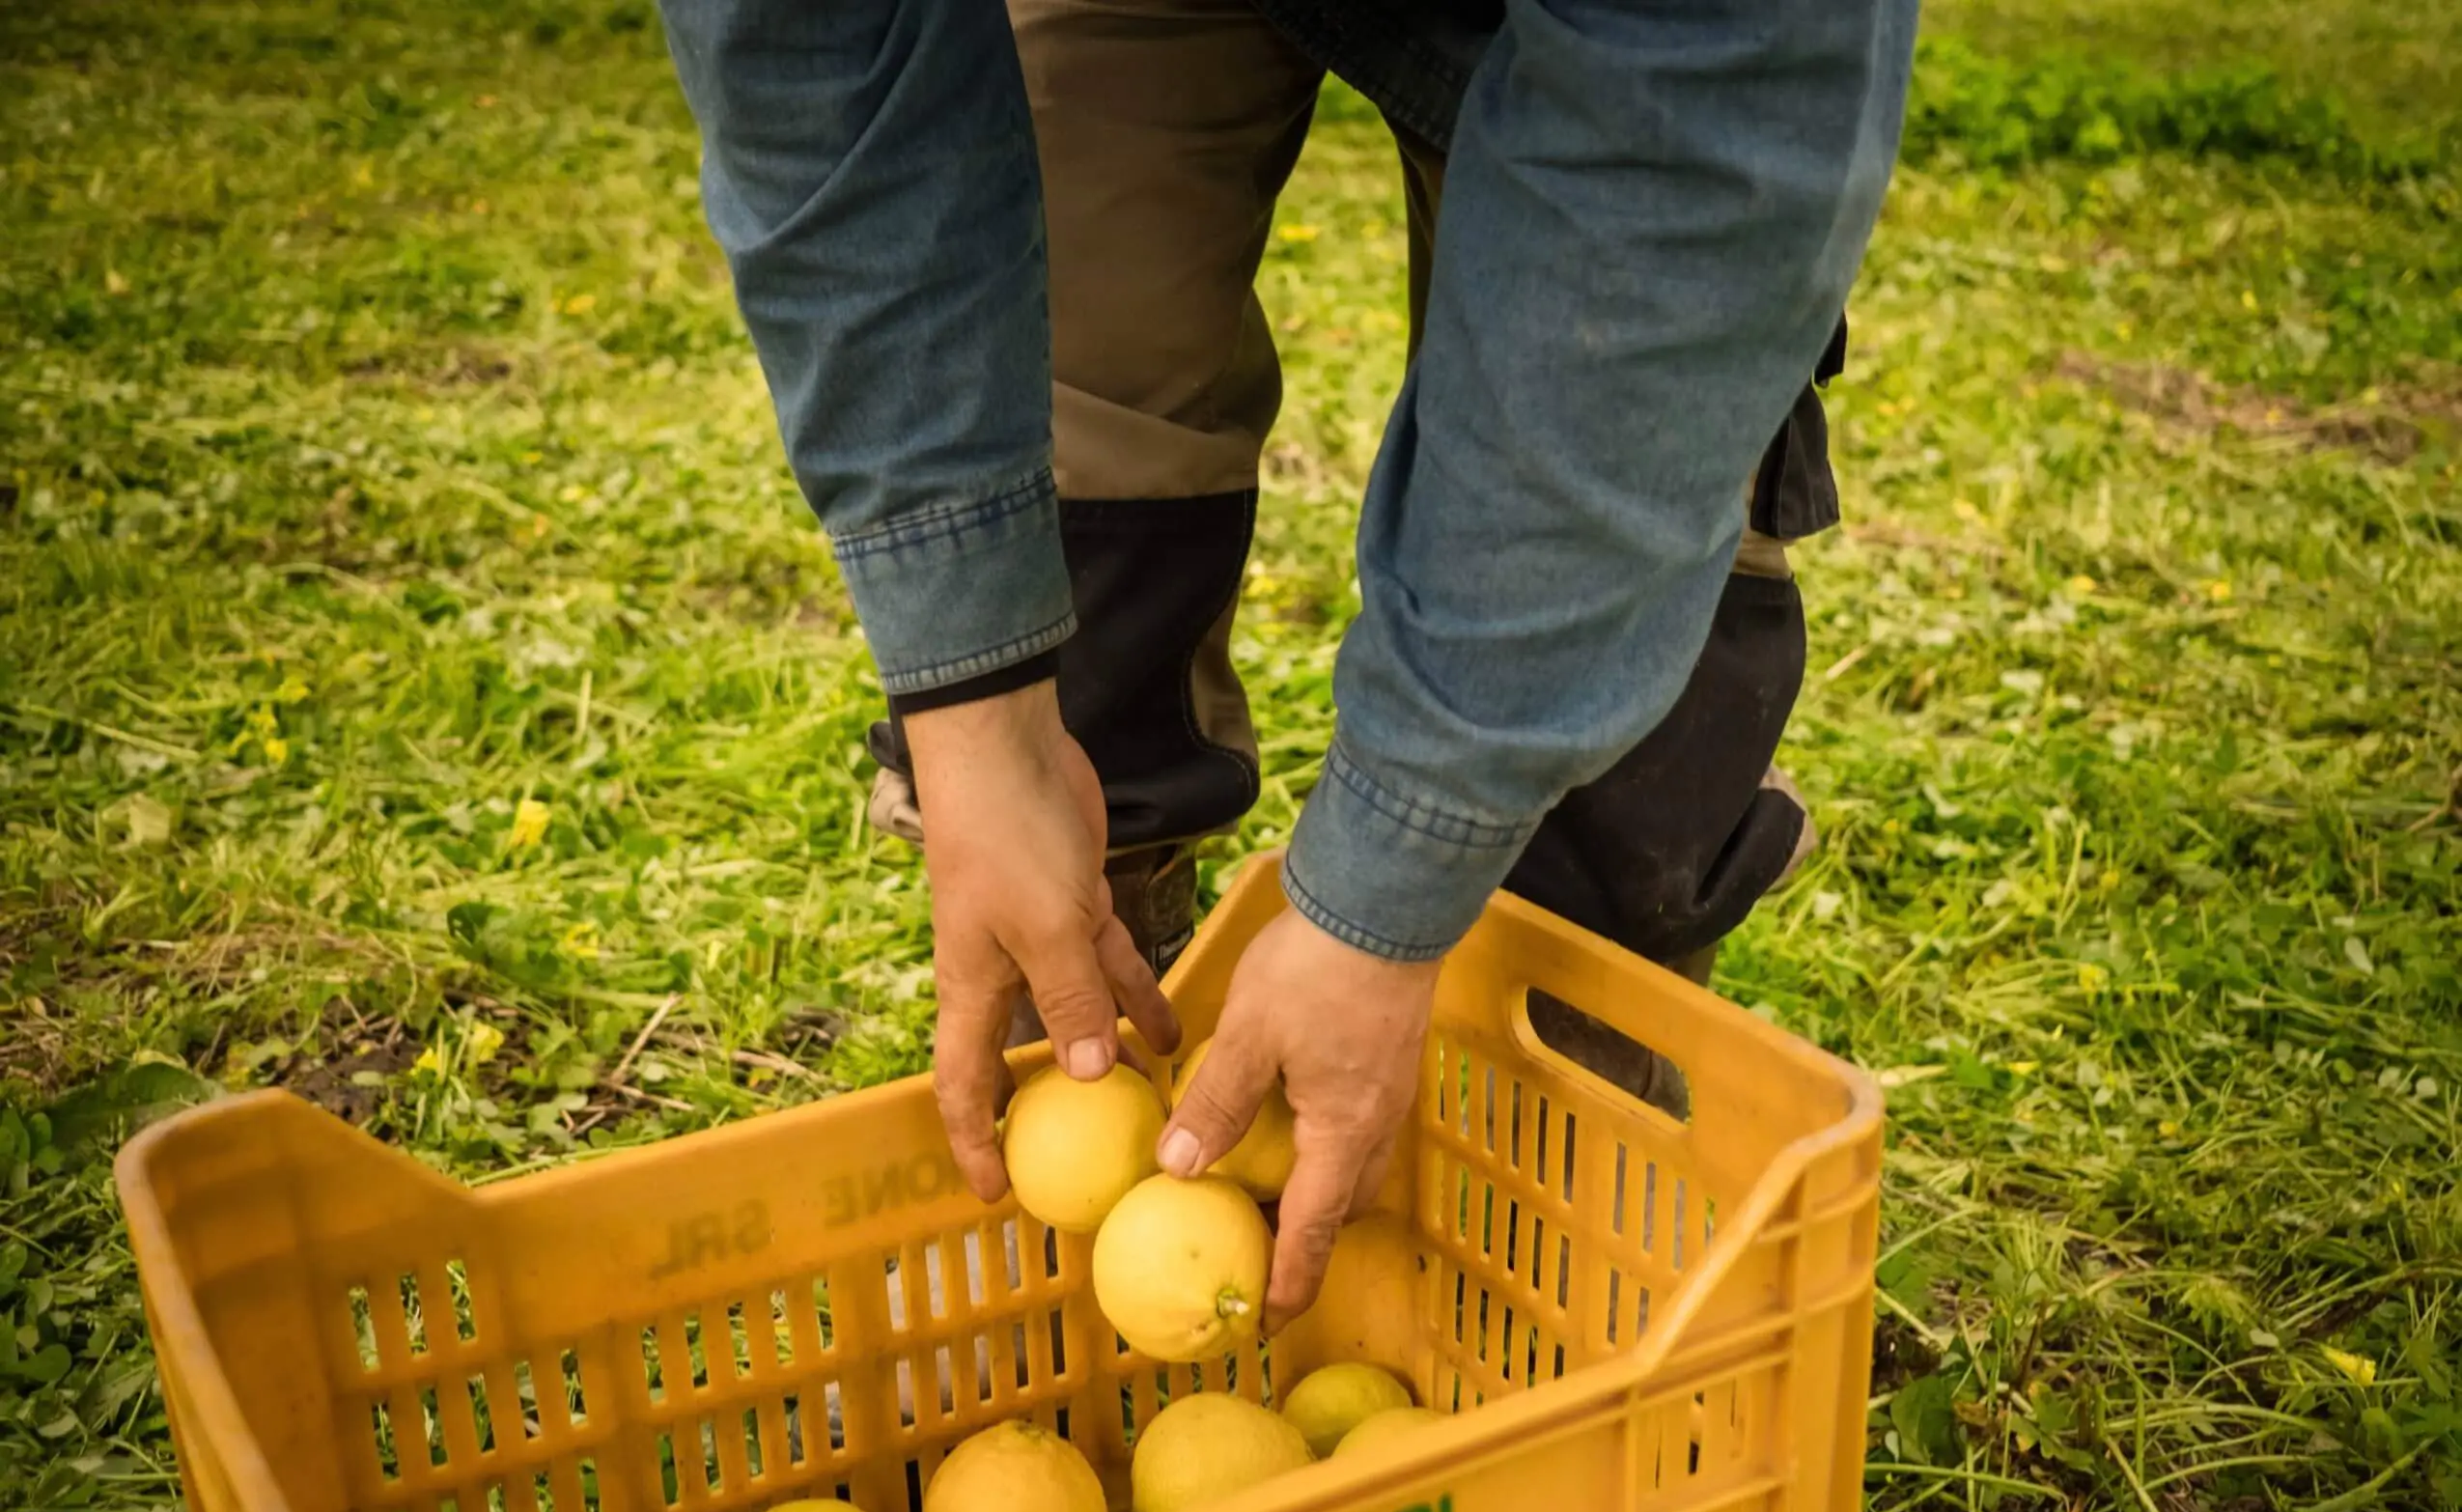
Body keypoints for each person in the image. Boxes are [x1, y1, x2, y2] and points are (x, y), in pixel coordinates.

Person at [655, 0, 1916, 1332]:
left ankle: (1537, 1208)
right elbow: (818, 69)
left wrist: (1389, 880)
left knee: (1634, 547)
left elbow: (1683, 202)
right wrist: (973, 705)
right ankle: (1092, 1080)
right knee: (1073, 406)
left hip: (1634, 45)